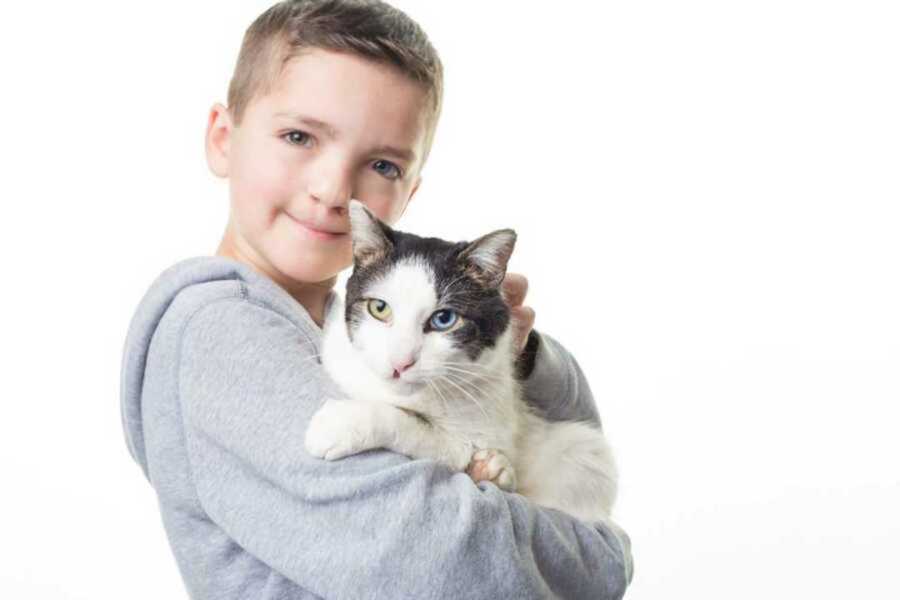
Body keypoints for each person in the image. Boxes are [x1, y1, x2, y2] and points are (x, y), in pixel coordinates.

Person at [119, 1, 634, 598]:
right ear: (222, 139)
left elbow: (571, 443)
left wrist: (513, 354)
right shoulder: (220, 334)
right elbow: (454, 565)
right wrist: (605, 556)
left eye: (382, 164)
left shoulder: (347, 332)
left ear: (409, 194)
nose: (334, 189)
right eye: (298, 136)